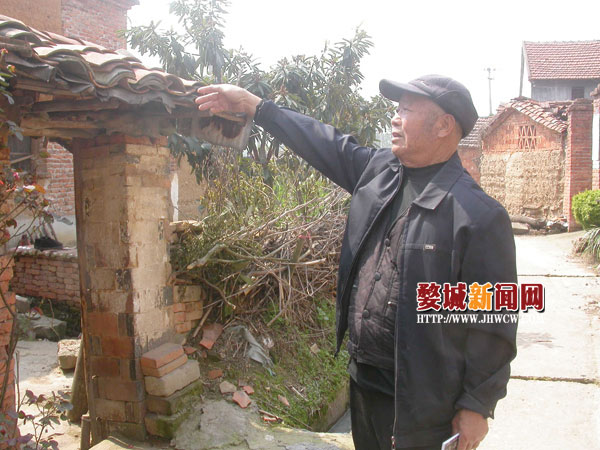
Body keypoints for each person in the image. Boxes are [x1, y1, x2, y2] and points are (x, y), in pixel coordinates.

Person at [195, 75, 518, 450]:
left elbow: (495, 320)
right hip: (363, 383)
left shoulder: (477, 216)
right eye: (397, 109)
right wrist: (255, 106)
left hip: (425, 404)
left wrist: (477, 404)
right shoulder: (378, 174)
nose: (395, 118)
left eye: (407, 110)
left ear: (444, 125)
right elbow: (322, 142)